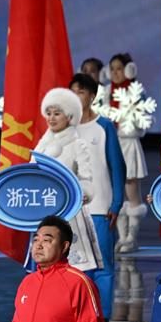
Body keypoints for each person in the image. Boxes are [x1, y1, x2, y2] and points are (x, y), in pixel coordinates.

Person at [70, 73, 126, 317]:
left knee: (103, 267)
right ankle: (79, 318)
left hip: (100, 208)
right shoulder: (65, 128)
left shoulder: (104, 126)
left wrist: (116, 203)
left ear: (92, 96)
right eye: (72, 92)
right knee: (76, 266)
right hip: (72, 210)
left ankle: (102, 319)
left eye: (81, 92)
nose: (76, 96)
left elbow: (117, 166)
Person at [33, 88, 104, 273]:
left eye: (57, 113)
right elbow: (31, 175)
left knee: (73, 268)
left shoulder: (77, 144)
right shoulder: (42, 145)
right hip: (44, 208)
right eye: (49, 113)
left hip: (70, 211)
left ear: (70, 116)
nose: (51, 118)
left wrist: (82, 192)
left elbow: (86, 178)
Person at [102, 54, 151, 253]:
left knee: (131, 191)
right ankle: (122, 237)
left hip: (129, 144)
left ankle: (132, 237)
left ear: (129, 70)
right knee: (116, 193)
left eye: (119, 68)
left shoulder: (136, 91)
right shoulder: (106, 92)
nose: (115, 73)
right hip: (111, 144)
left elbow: (145, 121)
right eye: (112, 69)